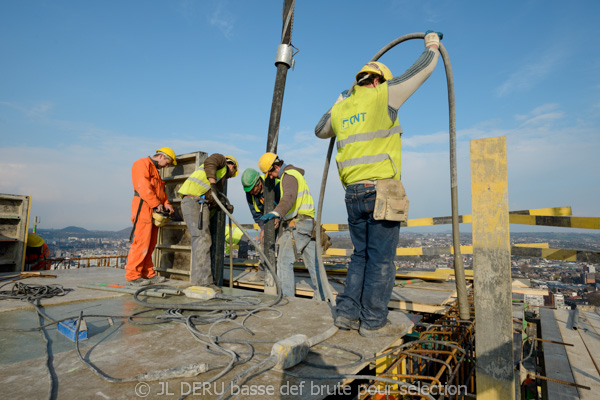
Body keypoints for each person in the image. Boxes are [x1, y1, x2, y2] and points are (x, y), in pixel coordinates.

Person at [314, 31, 442, 337]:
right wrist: (432, 45)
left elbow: (320, 130)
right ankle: (372, 320)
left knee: (361, 255)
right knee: (381, 259)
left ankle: (347, 314)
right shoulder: (384, 93)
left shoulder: (343, 107)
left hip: (352, 194)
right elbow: (420, 71)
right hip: (380, 190)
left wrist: (339, 101)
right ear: (378, 80)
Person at [258, 152, 324, 301]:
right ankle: (321, 300)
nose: (271, 177)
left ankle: (289, 301)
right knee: (314, 266)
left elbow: (289, 196)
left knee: (283, 262)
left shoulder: (288, 176)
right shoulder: (294, 175)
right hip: (307, 223)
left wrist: (277, 212)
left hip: (298, 225)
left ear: (276, 166)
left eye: (270, 172)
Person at [178, 153, 238, 292]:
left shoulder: (216, 179)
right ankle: (203, 282)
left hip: (197, 203)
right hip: (195, 202)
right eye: (232, 173)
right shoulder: (220, 160)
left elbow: (213, 199)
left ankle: (199, 280)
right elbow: (211, 161)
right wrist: (213, 182)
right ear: (232, 165)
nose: (228, 177)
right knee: (202, 240)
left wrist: (224, 206)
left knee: (201, 240)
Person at [125, 147, 176, 286]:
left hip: (153, 208)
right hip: (143, 206)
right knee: (142, 242)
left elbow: (161, 192)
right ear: (161, 156)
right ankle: (133, 275)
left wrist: (166, 203)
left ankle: (147, 273)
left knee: (151, 242)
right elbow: (143, 185)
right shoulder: (142, 164)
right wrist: (155, 204)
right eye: (168, 162)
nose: (167, 165)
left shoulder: (156, 172)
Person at [240, 168, 281, 243]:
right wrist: (263, 228)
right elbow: (256, 214)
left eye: (253, 189)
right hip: (268, 217)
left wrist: (278, 216)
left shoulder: (276, 185)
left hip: (284, 216)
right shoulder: (249, 193)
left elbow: (285, 204)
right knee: (266, 242)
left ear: (259, 183)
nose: (251, 192)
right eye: (249, 191)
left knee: (283, 243)